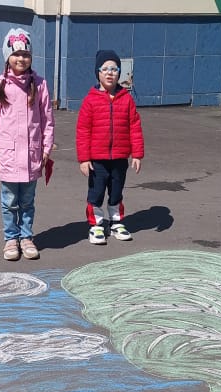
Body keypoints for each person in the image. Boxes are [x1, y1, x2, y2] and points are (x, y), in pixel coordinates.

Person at [0, 27, 55, 261]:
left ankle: (26, 237)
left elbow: (47, 120)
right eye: (16, 54)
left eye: (25, 54)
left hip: (32, 155)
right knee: (9, 202)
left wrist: (46, 148)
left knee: (27, 201)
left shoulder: (40, 84)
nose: (21, 59)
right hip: (7, 156)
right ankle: (10, 239)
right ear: (7, 57)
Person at [75, 50, 144, 245]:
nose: (110, 73)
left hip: (120, 157)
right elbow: (83, 131)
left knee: (116, 191)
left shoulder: (126, 99)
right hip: (97, 159)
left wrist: (137, 154)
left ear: (119, 73)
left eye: (114, 69)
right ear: (97, 73)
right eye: (105, 69)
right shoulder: (90, 100)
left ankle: (116, 222)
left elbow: (134, 127)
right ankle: (96, 225)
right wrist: (84, 158)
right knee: (96, 192)